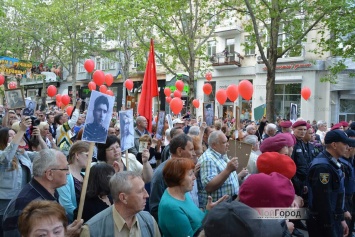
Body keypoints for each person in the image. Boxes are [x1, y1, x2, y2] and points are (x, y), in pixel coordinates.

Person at [2, 149, 83, 237]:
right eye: (65, 168)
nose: (68, 173)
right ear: (49, 174)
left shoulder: (52, 192)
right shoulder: (24, 203)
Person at [0, 117, 48, 236]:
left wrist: (40, 138)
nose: (16, 137)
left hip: (21, 200)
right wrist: (21, 130)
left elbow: (46, 156)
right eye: (11, 135)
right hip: (5, 201)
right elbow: (7, 157)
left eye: (15, 134)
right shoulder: (2, 154)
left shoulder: (23, 154)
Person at [158, 158, 227, 237]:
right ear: (178, 178)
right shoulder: (171, 208)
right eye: (190, 174)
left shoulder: (182, 193)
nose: (194, 177)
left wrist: (208, 211)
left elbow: (197, 222)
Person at [80, 171, 161, 237]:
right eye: (140, 191)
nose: (147, 195)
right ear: (123, 198)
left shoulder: (149, 221)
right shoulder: (92, 231)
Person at [307, 130, 354, 237]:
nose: (348, 147)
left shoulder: (332, 162)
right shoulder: (323, 167)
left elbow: (337, 194)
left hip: (332, 219)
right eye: (345, 144)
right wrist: (330, 229)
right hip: (324, 224)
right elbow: (323, 203)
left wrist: (341, 219)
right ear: (334, 145)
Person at [149, 133, 197, 221]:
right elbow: (155, 208)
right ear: (179, 151)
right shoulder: (162, 173)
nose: (193, 154)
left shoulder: (187, 167)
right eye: (191, 150)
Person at [198, 130, 244, 208]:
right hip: (218, 208)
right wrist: (228, 170)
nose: (228, 145)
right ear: (214, 145)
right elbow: (209, 186)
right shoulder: (208, 159)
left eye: (227, 141)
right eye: (224, 143)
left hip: (228, 204)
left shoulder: (221, 154)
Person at [57, 141, 90, 223]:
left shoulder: (85, 175)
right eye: (87, 155)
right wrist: (82, 219)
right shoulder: (65, 175)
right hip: (75, 223)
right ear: (77, 155)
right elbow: (66, 205)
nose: (90, 159)